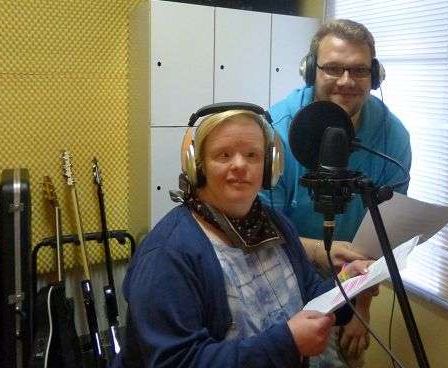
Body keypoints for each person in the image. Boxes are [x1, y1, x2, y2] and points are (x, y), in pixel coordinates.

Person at [115, 106, 373, 368]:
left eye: (252, 155)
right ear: (197, 166)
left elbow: (310, 295)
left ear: (270, 166)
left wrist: (347, 283)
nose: (239, 165)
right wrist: (287, 343)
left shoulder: (275, 224)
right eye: (223, 155)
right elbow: (176, 362)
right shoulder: (167, 254)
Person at [260, 19, 412, 366]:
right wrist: (318, 251)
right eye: (333, 68)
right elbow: (261, 230)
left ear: (375, 75)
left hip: (353, 275)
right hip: (281, 267)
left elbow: (382, 233)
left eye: (359, 70)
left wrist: (361, 308)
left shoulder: (392, 138)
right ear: (311, 70)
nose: (346, 81)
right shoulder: (276, 131)